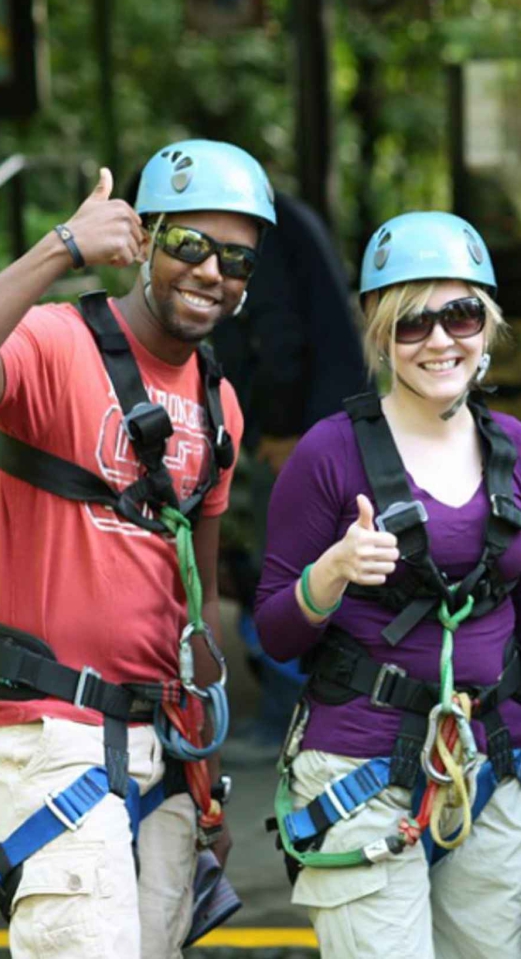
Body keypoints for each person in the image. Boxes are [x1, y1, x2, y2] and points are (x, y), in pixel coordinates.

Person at [0, 138, 274, 956]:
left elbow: (193, 611)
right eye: (189, 245)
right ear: (145, 239)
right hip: (48, 731)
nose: (212, 271)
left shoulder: (219, 402)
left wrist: (203, 790)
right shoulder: (53, 343)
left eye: (236, 260)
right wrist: (59, 248)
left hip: (160, 746)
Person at [253, 210, 521, 959]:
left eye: (461, 313)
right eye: (412, 321)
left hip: (493, 765)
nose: (440, 339)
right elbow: (277, 630)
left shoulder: (519, 452)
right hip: (358, 764)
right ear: (379, 331)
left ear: (488, 322)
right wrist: (332, 574)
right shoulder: (328, 453)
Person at [208, 189, 369, 760]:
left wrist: (278, 430)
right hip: (324, 414)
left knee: (279, 574)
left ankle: (284, 721)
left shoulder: (260, 228)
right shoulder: (286, 214)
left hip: (302, 426)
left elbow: (279, 337)